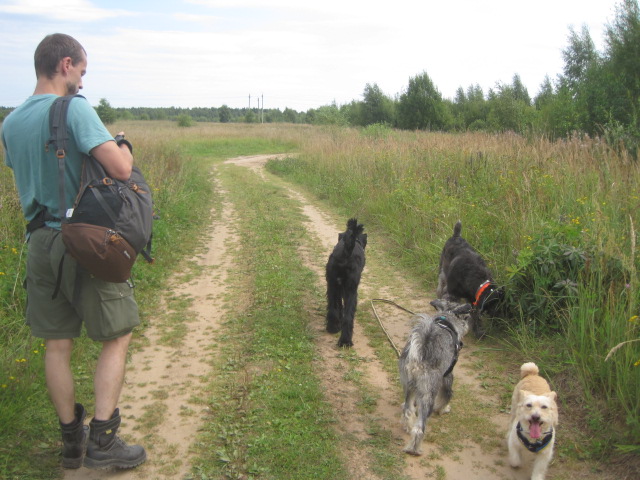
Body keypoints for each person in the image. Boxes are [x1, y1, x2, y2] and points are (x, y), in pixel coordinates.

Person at [1, 33, 146, 470]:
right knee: (117, 334)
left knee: (56, 346)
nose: (82, 82)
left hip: (38, 242)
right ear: (65, 64)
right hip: (81, 241)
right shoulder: (74, 108)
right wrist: (123, 143)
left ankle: (71, 442)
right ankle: (103, 439)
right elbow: (120, 169)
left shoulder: (10, 122)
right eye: (81, 72)